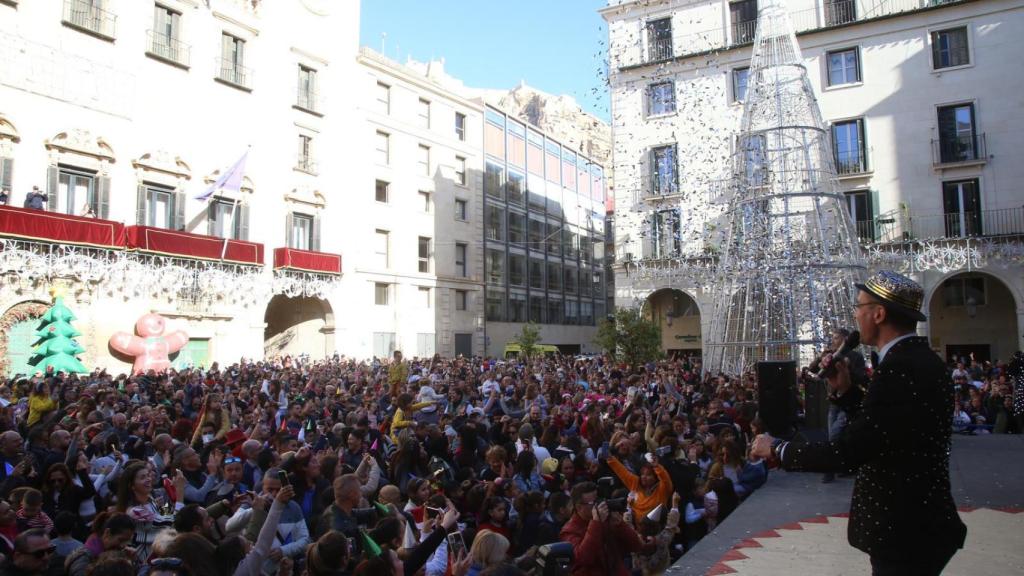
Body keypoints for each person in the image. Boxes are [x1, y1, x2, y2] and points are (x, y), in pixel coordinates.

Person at [752, 270, 968, 576]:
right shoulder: (921, 360)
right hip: (919, 521)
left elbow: (848, 451)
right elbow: (885, 429)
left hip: (904, 527)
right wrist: (847, 392)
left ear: (878, 314)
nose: (855, 314)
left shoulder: (899, 368)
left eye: (859, 306)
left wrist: (778, 448)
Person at [559, 481, 646, 576]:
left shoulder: (606, 520)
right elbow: (584, 558)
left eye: (598, 500)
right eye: (593, 503)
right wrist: (596, 523)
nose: (599, 505)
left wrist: (620, 524)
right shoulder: (569, 531)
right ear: (579, 507)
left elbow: (636, 546)